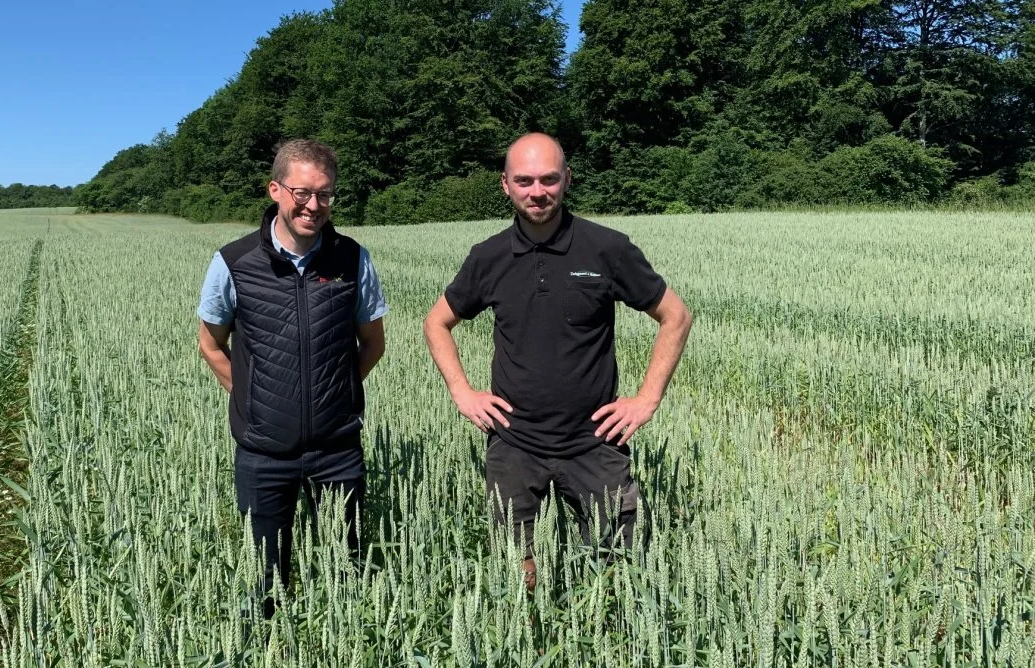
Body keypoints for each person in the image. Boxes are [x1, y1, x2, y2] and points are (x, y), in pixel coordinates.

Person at [423, 132, 691, 590]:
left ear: (567, 179)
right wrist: (462, 393)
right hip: (514, 445)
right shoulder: (487, 258)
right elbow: (436, 323)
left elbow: (675, 316)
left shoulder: (607, 249)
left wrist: (647, 399)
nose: (538, 191)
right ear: (505, 184)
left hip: (595, 443)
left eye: (549, 179)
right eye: (524, 180)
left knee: (617, 575)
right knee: (518, 571)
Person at [197, 139, 388, 614]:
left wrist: (340, 393)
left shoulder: (352, 259)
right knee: (261, 581)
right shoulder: (234, 262)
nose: (314, 205)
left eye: (325, 194)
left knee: (350, 575)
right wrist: (251, 398)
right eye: (303, 193)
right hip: (263, 454)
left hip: (337, 451)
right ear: (276, 190)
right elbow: (210, 343)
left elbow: (374, 342)